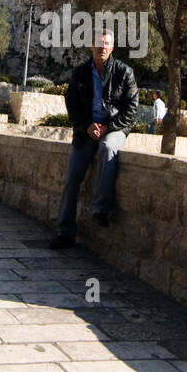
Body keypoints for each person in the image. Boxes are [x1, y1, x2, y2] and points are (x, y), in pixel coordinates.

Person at [52, 29, 138, 249]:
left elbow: (131, 110)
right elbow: (72, 105)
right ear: (91, 45)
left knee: (108, 148)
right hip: (86, 131)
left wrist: (108, 126)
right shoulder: (80, 73)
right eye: (99, 43)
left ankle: (101, 209)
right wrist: (87, 126)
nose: (102, 47)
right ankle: (64, 232)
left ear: (112, 47)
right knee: (72, 177)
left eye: (107, 44)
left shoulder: (124, 72)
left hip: (114, 128)